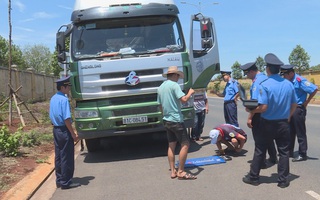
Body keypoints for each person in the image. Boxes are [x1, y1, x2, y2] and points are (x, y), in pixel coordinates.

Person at [242, 53, 297, 188]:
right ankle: (283, 180)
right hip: (284, 123)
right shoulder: (288, 84)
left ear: (267, 69)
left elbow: (264, 107)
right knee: (284, 152)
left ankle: (254, 177)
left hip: (268, 124)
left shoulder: (264, 84)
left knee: (260, 149)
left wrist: (251, 110)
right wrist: (288, 116)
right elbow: (294, 104)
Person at [157, 66, 197, 180]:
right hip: (176, 120)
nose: (178, 78)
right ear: (175, 75)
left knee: (171, 145)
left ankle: (173, 171)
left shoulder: (160, 87)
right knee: (185, 144)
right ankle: (181, 171)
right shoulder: (174, 85)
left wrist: (164, 114)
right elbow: (183, 100)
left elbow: (160, 105)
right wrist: (190, 93)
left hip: (167, 119)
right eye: (178, 76)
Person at [240, 62, 277, 167]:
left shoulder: (257, 83)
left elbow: (256, 103)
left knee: (259, 140)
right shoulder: (265, 78)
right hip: (269, 114)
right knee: (268, 137)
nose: (247, 76)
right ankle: (273, 157)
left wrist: (250, 117)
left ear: (252, 71)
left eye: (247, 74)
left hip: (259, 114)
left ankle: (261, 162)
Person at [280, 64, 318, 162]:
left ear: (291, 73)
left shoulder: (300, 80)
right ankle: (289, 151)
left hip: (298, 109)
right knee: (290, 131)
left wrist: (307, 102)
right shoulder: (288, 81)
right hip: (290, 109)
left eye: (285, 75)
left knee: (300, 132)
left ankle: (302, 153)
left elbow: (314, 89)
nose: (284, 77)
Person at [49, 76, 80, 189]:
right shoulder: (64, 100)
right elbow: (66, 119)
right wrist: (73, 133)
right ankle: (66, 182)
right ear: (63, 87)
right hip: (64, 129)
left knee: (59, 155)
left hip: (56, 130)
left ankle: (59, 180)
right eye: (68, 87)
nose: (69, 89)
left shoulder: (53, 98)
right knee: (66, 156)